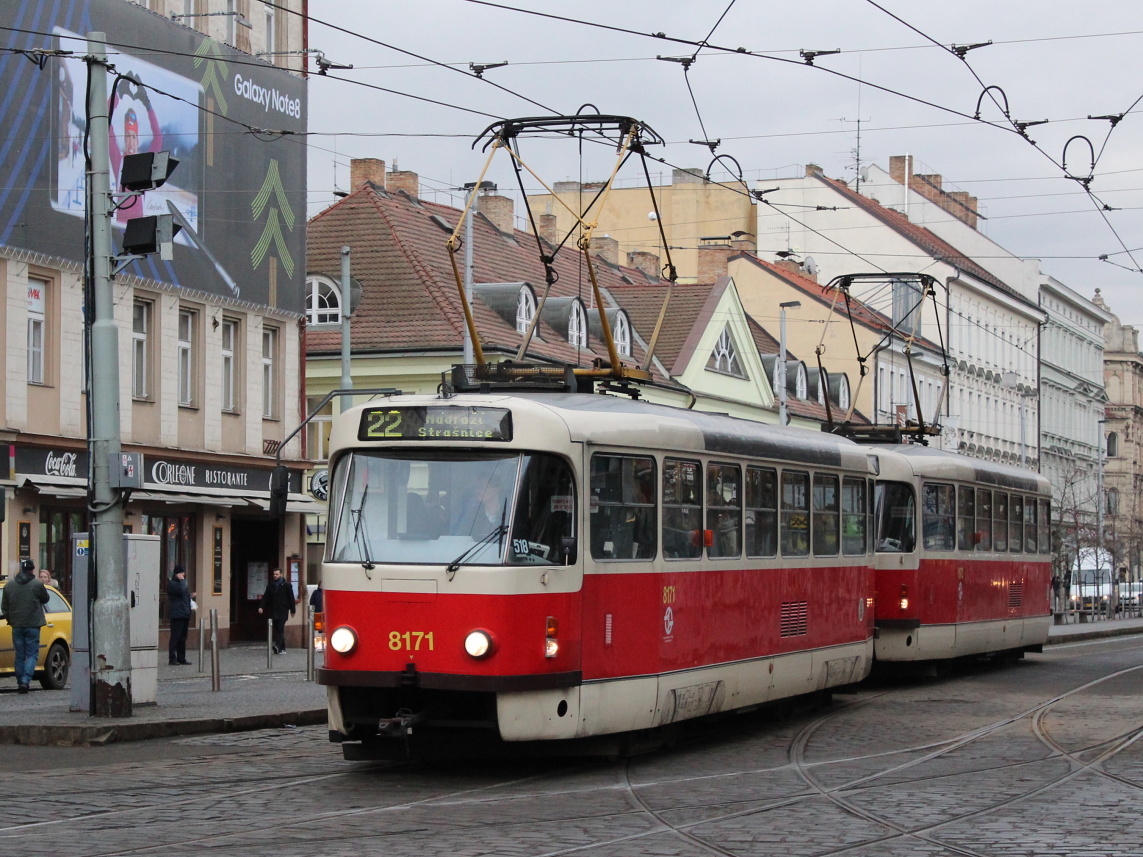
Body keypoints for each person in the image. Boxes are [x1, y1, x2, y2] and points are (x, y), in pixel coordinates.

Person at [0, 558, 49, 693]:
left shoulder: (9, 586)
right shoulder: (36, 584)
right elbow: (45, 599)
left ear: (21, 569)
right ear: (32, 570)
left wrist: (11, 620)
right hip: (33, 624)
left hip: (16, 625)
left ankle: (19, 681)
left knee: (19, 655)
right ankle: (26, 681)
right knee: (32, 654)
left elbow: (4, 607)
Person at [258, 568, 296, 654]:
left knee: (280, 627)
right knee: (277, 629)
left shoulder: (286, 585)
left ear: (281, 574)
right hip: (273, 610)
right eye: (274, 574)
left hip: (283, 610)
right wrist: (261, 607)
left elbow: (291, 598)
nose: (275, 576)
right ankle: (282, 648)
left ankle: (277, 646)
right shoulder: (271, 585)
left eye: (277, 574)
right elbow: (266, 597)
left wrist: (292, 610)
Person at [166, 565, 194, 665]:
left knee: (182, 637)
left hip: (184, 613)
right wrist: (182, 581)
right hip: (177, 614)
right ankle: (172, 658)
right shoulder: (172, 584)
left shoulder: (181, 584)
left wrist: (190, 595)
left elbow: (183, 595)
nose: (183, 575)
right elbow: (180, 590)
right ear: (177, 574)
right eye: (182, 573)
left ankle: (181, 658)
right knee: (175, 637)